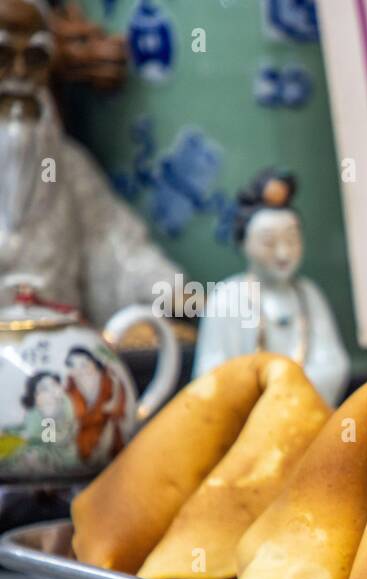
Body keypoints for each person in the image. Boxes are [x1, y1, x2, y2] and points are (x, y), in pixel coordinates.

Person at [0, 0, 181, 327]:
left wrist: (185, 296)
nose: (20, 74)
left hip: (57, 361)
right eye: (2, 58)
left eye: (34, 58)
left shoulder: (67, 167)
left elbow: (119, 252)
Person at [194, 169, 348, 405]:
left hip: (305, 412)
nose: (283, 253)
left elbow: (333, 363)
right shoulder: (226, 298)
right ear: (243, 243)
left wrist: (291, 392)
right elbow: (209, 371)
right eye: (268, 242)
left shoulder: (308, 294)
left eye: (292, 240)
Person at [65, 346, 125, 463]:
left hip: (110, 429)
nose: (81, 370)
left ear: (93, 362)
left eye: (84, 364)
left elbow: (116, 407)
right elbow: (77, 416)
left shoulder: (109, 380)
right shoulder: (71, 386)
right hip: (85, 431)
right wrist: (101, 410)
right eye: (74, 366)